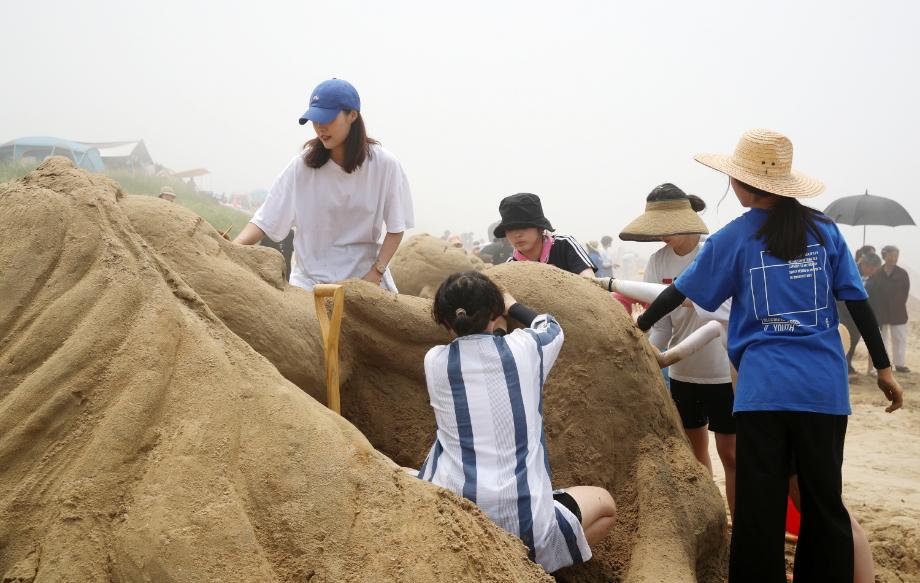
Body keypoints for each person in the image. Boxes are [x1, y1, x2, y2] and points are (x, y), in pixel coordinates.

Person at [634, 129, 903, 582]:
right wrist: (883, 368)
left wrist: (636, 330)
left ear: (740, 184)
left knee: (760, 510)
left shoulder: (733, 238)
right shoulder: (825, 232)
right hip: (823, 391)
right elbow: (857, 303)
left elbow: (680, 293)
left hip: (762, 393)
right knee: (823, 504)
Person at [418, 271, 616, 573]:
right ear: (494, 313)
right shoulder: (526, 348)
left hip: (456, 525)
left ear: (445, 320)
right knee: (605, 506)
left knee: (407, 474)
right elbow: (551, 326)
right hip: (527, 531)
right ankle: (531, 571)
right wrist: (512, 305)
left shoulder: (434, 362)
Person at [620, 183, 737, 517]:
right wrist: (649, 356)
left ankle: (738, 529)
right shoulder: (658, 262)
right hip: (683, 372)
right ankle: (712, 520)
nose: (662, 236)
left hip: (723, 372)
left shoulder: (712, 254)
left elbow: (727, 311)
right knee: (695, 456)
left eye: (666, 228)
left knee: (731, 455)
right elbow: (661, 325)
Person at [233, 78, 414, 292]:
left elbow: (396, 228)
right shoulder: (302, 167)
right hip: (310, 284)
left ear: (352, 115)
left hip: (364, 282)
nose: (320, 127)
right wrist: (231, 248)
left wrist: (376, 273)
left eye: (327, 119)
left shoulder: (384, 165)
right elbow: (265, 221)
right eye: (315, 120)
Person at [494, 193, 596, 277]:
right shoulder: (511, 267)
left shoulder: (564, 245)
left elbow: (589, 281)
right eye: (510, 229)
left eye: (523, 226)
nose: (517, 234)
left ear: (540, 228)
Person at [866, 245, 911, 373]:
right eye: (891, 255)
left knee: (900, 338)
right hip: (881, 312)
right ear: (884, 255)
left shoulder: (902, 273)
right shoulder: (877, 273)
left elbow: (905, 292)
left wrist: (898, 303)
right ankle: (884, 365)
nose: (893, 258)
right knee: (882, 340)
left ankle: (900, 364)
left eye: (896, 255)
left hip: (898, 312)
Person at [840, 252, 881, 373]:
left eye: (875, 269)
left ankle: (848, 364)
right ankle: (844, 366)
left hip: (858, 312)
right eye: (871, 268)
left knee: (854, 337)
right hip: (842, 308)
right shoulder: (848, 270)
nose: (873, 271)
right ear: (863, 264)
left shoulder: (874, 278)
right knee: (844, 336)